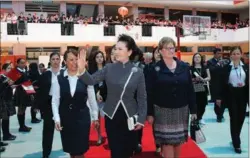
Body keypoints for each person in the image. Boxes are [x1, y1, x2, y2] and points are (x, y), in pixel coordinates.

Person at [78, 34, 147, 158]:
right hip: (112, 115)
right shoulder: (108, 68)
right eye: (116, 48)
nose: (116, 51)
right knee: (115, 151)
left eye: (121, 49)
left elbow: (142, 97)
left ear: (129, 51)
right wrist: (82, 70)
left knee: (128, 151)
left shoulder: (138, 72)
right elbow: (90, 81)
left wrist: (141, 119)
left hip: (130, 116)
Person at [146, 37, 197, 158]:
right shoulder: (154, 69)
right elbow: (149, 93)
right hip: (162, 111)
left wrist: (194, 110)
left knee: (178, 142)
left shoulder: (184, 67)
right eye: (167, 48)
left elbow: (190, 89)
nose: (170, 50)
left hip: (181, 110)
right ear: (160, 51)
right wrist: (149, 113)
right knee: (167, 143)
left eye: (172, 47)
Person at [51, 50, 99, 158]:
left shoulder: (86, 77)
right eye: (71, 60)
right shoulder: (58, 78)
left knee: (79, 151)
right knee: (72, 151)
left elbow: (92, 99)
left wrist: (95, 117)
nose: (75, 62)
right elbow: (55, 100)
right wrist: (57, 119)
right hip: (66, 119)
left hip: (82, 119)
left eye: (77, 59)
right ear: (65, 62)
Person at [215, 47, 249, 154]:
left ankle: (236, 136)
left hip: (243, 94)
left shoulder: (246, 67)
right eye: (233, 53)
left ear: (241, 55)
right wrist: (219, 97)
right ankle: (236, 143)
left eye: (237, 53)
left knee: (241, 118)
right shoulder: (226, 68)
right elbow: (220, 84)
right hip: (231, 94)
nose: (235, 55)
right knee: (234, 118)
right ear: (230, 55)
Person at [37, 52, 61, 158]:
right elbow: (41, 92)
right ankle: (46, 154)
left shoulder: (64, 73)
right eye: (53, 59)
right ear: (50, 61)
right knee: (47, 131)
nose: (55, 61)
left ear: (60, 60)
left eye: (57, 59)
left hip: (62, 105)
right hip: (48, 106)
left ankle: (71, 150)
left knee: (66, 130)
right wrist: (40, 108)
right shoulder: (45, 74)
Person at [88, 50, 106, 145]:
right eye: (97, 57)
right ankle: (99, 135)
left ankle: (109, 134)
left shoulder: (107, 69)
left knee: (107, 118)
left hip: (106, 97)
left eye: (101, 57)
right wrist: (96, 93)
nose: (99, 58)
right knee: (97, 118)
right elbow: (90, 85)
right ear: (95, 59)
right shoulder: (91, 71)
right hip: (95, 97)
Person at [191, 53, 211, 125]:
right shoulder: (191, 68)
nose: (197, 58)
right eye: (195, 57)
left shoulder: (205, 67)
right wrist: (194, 79)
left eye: (198, 57)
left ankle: (200, 117)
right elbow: (189, 79)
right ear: (193, 59)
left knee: (203, 104)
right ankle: (195, 118)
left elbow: (209, 77)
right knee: (196, 104)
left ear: (201, 58)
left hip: (203, 86)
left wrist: (203, 79)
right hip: (195, 87)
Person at [207, 48, 225, 122]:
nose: (219, 55)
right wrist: (218, 64)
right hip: (215, 84)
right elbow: (211, 70)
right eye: (218, 53)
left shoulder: (223, 61)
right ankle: (218, 115)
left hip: (223, 84)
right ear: (214, 54)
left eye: (220, 53)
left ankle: (220, 113)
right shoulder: (210, 62)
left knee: (223, 100)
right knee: (217, 101)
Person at [0, 63, 17, 141]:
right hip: (3, 100)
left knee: (7, 118)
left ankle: (7, 134)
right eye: (9, 68)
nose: (11, 70)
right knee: (5, 118)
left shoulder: (6, 77)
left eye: (11, 68)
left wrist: (12, 86)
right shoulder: (2, 77)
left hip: (8, 98)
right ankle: (5, 135)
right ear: (4, 69)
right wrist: (7, 83)